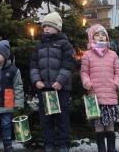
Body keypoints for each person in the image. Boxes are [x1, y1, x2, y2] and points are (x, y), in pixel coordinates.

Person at [30, 12, 75, 152]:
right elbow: (34, 65)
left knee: (62, 118)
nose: (46, 29)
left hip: (61, 89)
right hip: (45, 89)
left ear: (58, 28)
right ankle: (48, 144)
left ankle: (64, 144)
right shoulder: (39, 46)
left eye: (50, 26)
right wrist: (36, 80)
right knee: (46, 119)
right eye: (44, 26)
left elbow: (68, 65)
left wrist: (60, 81)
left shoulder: (65, 44)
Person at [81, 24, 119, 152]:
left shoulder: (113, 54)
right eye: (97, 35)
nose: (101, 37)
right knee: (98, 125)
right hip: (95, 95)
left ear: (107, 37)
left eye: (103, 34)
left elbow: (118, 71)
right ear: (92, 38)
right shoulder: (87, 55)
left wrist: (116, 83)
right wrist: (86, 82)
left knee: (110, 124)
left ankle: (111, 148)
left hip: (110, 94)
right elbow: (84, 72)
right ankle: (101, 149)